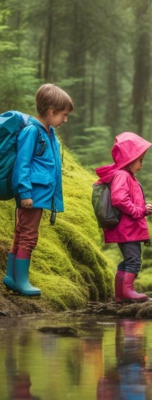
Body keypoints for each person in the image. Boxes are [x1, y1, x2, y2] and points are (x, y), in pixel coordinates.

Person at [3, 83, 74, 296]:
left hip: (39, 195)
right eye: (64, 114)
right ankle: (22, 281)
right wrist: (24, 193)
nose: (65, 119)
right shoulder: (32, 131)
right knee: (28, 236)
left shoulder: (48, 132)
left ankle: (11, 277)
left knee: (21, 233)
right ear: (51, 111)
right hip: (31, 196)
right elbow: (22, 164)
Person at [95, 132, 152, 303]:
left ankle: (120, 295)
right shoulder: (122, 175)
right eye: (140, 160)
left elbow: (129, 199)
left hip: (128, 229)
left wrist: (143, 209)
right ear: (130, 158)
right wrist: (137, 211)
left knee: (127, 261)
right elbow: (119, 199)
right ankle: (128, 292)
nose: (142, 165)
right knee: (134, 261)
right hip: (128, 229)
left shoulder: (127, 176)